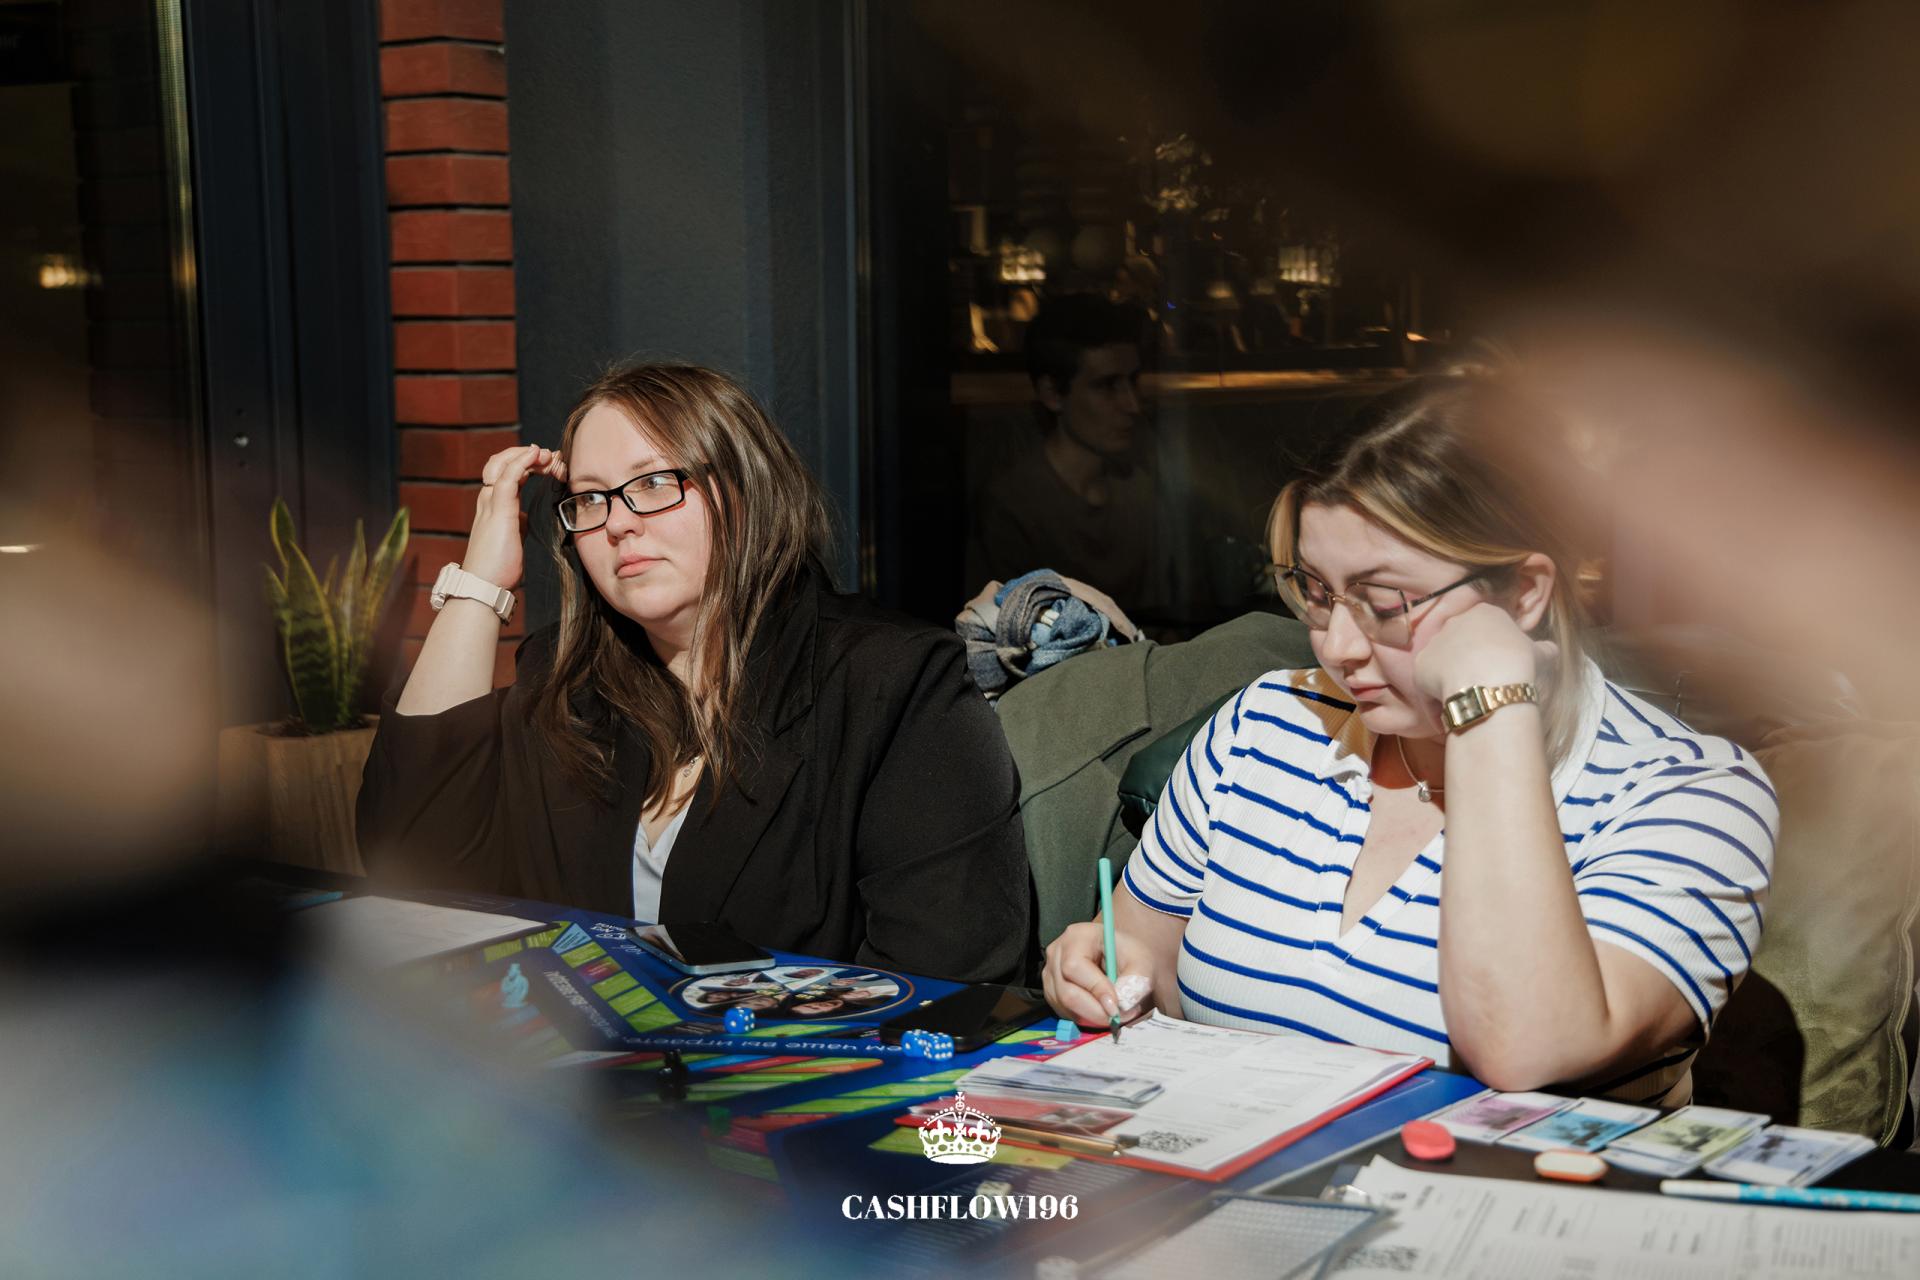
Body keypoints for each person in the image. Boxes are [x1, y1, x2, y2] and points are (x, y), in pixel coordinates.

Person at [1041, 375, 1777, 1103]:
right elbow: (1147, 958)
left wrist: (1490, 704)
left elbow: (1526, 1048)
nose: (1337, 646)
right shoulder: (1266, 721)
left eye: (1386, 603)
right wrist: (1112, 974)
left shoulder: (1693, 796)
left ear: (1524, 593)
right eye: (1318, 591)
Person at [358, 363, 1031, 983]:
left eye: (653, 483)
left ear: (744, 491)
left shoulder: (896, 684)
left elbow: (945, 981)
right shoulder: (566, 682)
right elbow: (410, 863)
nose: (618, 524)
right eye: (589, 499)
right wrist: (479, 584)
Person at [965, 293, 1158, 611]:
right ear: (1052, 394)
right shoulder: (1012, 506)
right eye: (1107, 385)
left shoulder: (1140, 487)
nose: (1132, 405)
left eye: (1133, 382)